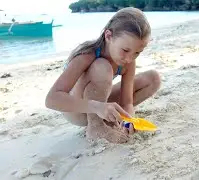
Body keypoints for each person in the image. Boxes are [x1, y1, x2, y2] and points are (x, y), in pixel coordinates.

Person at [45, 7, 161, 144]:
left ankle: (109, 119)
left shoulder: (128, 61)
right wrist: (96, 107)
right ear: (108, 36)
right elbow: (51, 100)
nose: (129, 59)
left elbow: (127, 102)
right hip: (77, 110)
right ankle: (96, 127)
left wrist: (129, 120)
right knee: (102, 66)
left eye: (137, 52)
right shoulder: (87, 55)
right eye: (125, 50)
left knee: (153, 78)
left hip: (101, 105)